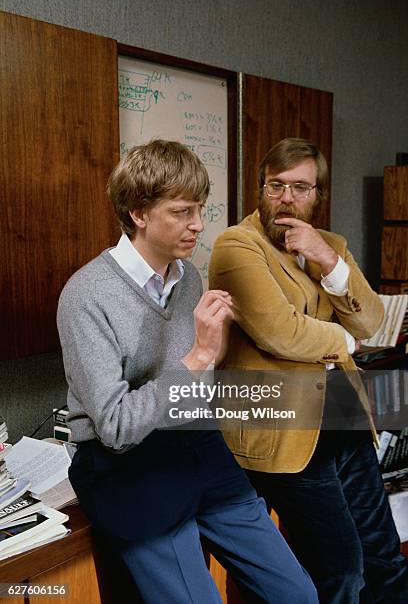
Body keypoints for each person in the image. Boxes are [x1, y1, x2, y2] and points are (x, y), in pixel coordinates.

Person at [57, 140, 317, 604]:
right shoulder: (86, 295)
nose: (198, 225)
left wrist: (214, 367)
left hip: (197, 447)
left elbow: (196, 389)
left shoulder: (188, 275)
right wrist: (196, 358)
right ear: (139, 213)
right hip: (126, 467)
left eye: (200, 208)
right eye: (182, 212)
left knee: (297, 594)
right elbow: (115, 428)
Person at [209, 137, 408, 604]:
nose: (287, 198)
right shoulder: (237, 245)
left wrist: (327, 258)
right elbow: (279, 332)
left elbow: (373, 320)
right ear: (261, 188)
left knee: (384, 557)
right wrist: (344, 342)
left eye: (301, 188)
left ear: (317, 195)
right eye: (276, 185)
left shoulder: (329, 245)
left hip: (343, 418)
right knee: (341, 572)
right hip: (282, 433)